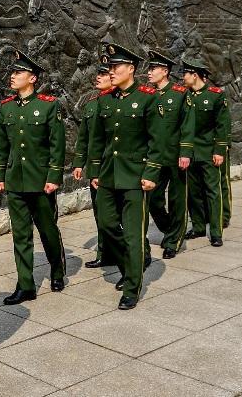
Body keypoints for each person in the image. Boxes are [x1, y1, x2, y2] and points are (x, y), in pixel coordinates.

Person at [88, 43, 163, 310]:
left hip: (135, 176)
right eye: (109, 67)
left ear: (131, 69)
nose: (111, 71)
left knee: (132, 234)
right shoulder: (104, 100)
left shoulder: (148, 98)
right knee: (108, 225)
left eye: (115, 66)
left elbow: (157, 139)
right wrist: (94, 171)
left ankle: (132, 286)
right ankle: (130, 265)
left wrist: (151, 172)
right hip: (109, 175)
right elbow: (98, 139)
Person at [0, 50, 67, 304]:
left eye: (18, 73)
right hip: (16, 180)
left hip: (40, 181)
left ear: (32, 78)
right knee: (20, 235)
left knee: (47, 230)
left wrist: (54, 176)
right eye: (12, 72)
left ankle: (57, 270)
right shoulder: (6, 108)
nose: (12, 76)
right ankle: (26, 285)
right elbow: (2, 145)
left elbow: (57, 146)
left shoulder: (48, 105)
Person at [179, 58, 230, 247]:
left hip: (209, 152)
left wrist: (219, 150)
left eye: (185, 73)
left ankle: (216, 231)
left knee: (212, 192)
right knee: (194, 192)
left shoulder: (216, 95)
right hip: (190, 153)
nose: (182, 77)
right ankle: (199, 226)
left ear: (195, 75)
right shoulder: (185, 95)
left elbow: (222, 125)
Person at [146, 50, 189, 259]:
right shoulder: (149, 95)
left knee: (177, 199)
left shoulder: (180, 94)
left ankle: (174, 240)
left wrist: (186, 152)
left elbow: (187, 125)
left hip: (176, 156)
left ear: (164, 71)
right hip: (155, 157)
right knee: (153, 198)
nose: (148, 72)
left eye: (153, 69)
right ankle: (169, 229)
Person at [71, 59, 114, 268]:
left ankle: (140, 253)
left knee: (121, 216)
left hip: (115, 167)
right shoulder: (91, 104)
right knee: (101, 214)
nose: (99, 77)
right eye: (99, 73)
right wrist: (79, 163)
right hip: (97, 168)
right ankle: (105, 253)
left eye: (104, 74)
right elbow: (84, 138)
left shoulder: (118, 103)